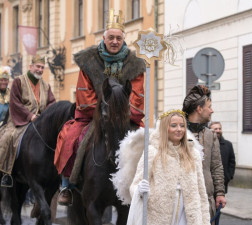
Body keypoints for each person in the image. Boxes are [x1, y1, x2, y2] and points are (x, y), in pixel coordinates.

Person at [54, 8, 145, 206]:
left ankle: (149, 184)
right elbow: (84, 93)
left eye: (118, 38)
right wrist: (103, 109)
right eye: (111, 37)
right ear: (104, 38)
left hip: (125, 116)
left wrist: (122, 110)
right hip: (95, 115)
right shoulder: (88, 61)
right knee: (70, 138)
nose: (114, 41)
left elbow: (137, 95)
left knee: (148, 143)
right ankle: (67, 185)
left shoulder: (135, 64)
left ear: (123, 39)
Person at [127, 109, 210, 224]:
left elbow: (201, 191)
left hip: (187, 215)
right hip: (159, 215)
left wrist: (205, 221)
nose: (179, 129)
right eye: (174, 125)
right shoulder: (152, 152)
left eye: (182, 126)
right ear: (165, 128)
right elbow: (136, 184)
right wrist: (139, 190)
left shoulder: (193, 154)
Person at [0, 55, 56, 187]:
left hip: (41, 122)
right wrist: (30, 116)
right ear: (31, 67)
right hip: (19, 121)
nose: (40, 69)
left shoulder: (46, 86)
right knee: (8, 138)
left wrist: (46, 117)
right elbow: (15, 103)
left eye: (42, 67)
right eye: (38, 66)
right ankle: (5, 173)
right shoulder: (19, 81)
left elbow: (51, 103)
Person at [182, 85, 226, 223]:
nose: (212, 110)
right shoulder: (178, 133)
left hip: (206, 200)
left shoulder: (211, 135)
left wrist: (220, 193)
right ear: (199, 109)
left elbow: (217, 166)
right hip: (183, 200)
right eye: (209, 106)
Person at [209, 121, 236, 193]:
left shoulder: (228, 144)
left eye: (219, 128)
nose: (218, 130)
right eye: (215, 129)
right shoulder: (206, 144)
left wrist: (228, 176)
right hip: (208, 183)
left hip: (223, 183)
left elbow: (232, 162)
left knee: (220, 203)